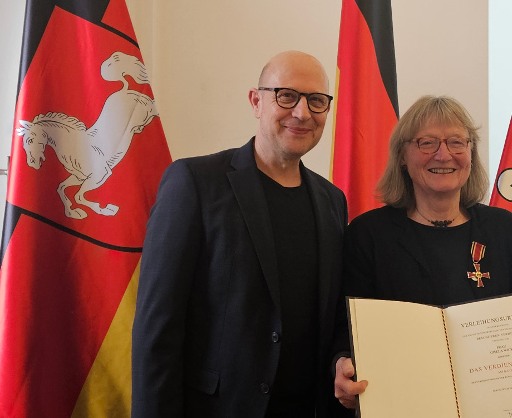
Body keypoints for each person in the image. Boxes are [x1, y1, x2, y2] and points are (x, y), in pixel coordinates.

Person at [132, 51, 351, 417]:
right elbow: (158, 330)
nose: (302, 112)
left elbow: (329, 322)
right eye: (286, 95)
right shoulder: (194, 184)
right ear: (256, 101)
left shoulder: (333, 201)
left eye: (316, 101)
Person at [333, 95, 512, 409]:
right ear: (402, 155)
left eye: (457, 142)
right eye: (427, 142)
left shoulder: (504, 229)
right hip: (402, 406)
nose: (443, 155)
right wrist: (341, 365)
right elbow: (346, 331)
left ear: (470, 152)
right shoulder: (368, 234)